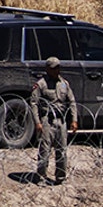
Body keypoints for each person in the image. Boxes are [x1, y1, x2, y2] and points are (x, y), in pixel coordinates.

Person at [31, 56, 77, 184]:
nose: (57, 71)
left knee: (62, 150)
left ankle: (60, 177)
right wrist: (37, 122)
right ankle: (41, 176)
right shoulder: (41, 84)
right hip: (47, 120)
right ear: (47, 69)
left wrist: (74, 120)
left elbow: (72, 101)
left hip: (61, 121)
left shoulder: (64, 84)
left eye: (58, 68)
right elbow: (34, 103)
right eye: (53, 68)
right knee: (45, 149)